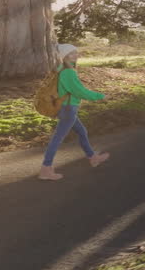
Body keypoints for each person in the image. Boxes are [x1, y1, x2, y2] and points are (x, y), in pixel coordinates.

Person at [39, 44, 110, 181]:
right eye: (71, 53)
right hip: (68, 109)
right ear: (64, 56)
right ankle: (46, 169)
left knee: (82, 132)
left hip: (65, 108)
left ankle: (92, 157)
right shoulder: (68, 72)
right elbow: (79, 91)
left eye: (76, 52)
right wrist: (100, 96)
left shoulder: (60, 69)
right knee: (57, 138)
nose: (76, 55)